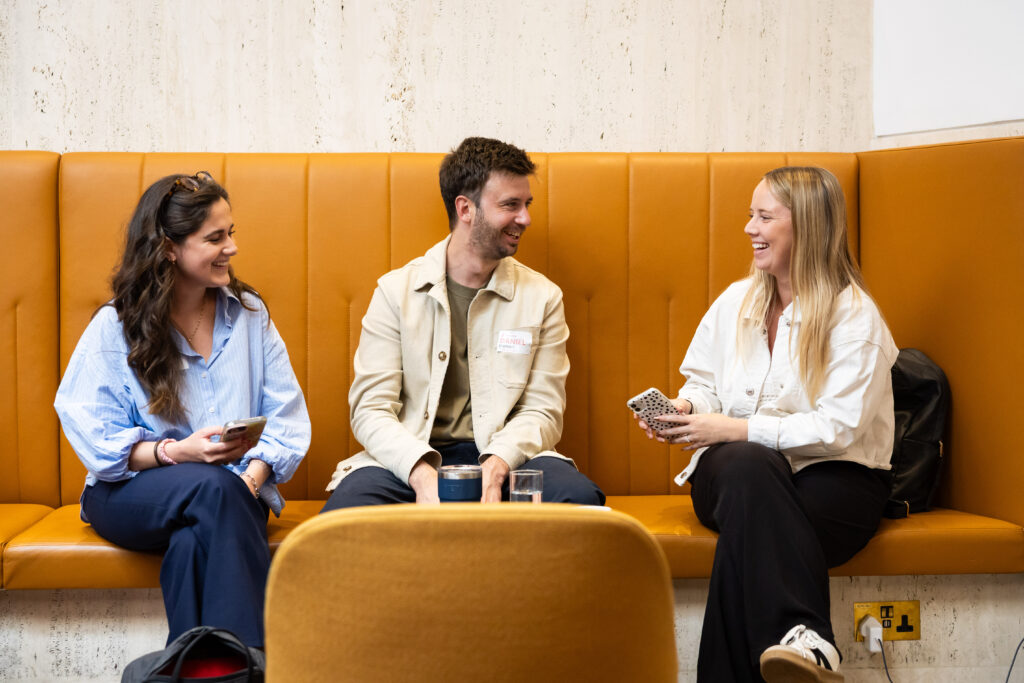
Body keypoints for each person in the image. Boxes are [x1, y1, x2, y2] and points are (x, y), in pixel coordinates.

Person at [634, 167, 897, 683]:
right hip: (737, 476)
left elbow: (838, 429)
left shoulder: (856, 319)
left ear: (809, 227)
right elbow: (703, 382)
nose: (749, 229)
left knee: (749, 532)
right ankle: (806, 639)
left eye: (764, 217)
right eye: (749, 216)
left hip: (836, 480)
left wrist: (735, 429)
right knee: (751, 470)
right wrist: (688, 411)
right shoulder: (736, 301)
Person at [54, 172, 310, 648]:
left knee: (197, 537)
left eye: (231, 232)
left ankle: (203, 670)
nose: (231, 247)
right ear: (169, 248)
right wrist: (177, 452)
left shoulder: (250, 315)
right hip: (127, 496)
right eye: (215, 237)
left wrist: (251, 481)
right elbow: (97, 442)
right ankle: (257, 663)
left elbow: (287, 420)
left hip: (234, 496)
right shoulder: (116, 326)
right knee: (215, 490)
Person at [322, 137, 604, 510]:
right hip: (410, 456)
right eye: (510, 205)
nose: (525, 218)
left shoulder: (542, 298)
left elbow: (544, 411)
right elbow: (370, 410)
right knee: (345, 516)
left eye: (526, 204)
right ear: (465, 208)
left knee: (580, 501)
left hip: (509, 453)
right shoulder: (395, 293)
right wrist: (420, 472)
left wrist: (498, 464)